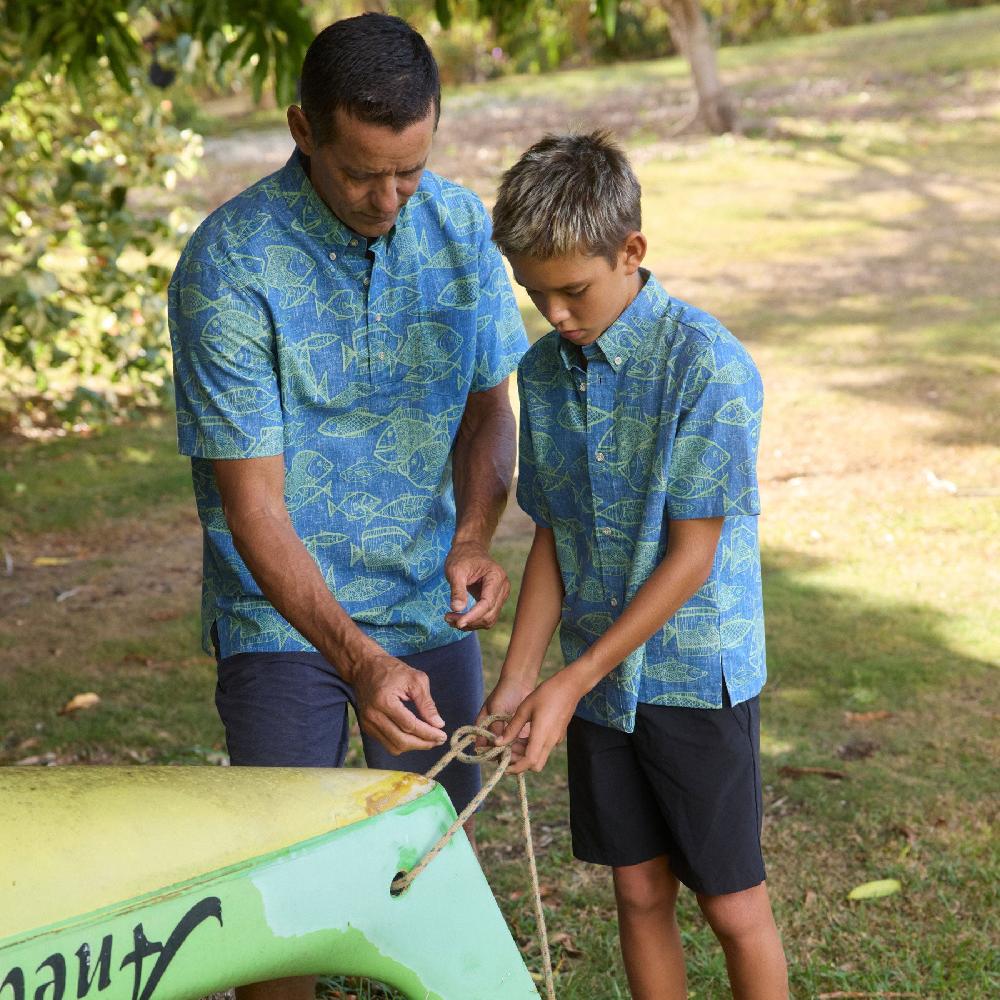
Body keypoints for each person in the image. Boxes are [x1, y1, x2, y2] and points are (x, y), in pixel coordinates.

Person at [169, 15, 527, 998]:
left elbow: (488, 404)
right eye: (364, 172)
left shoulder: (457, 228)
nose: (388, 198)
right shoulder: (229, 264)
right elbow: (255, 508)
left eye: (409, 169)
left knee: (432, 871)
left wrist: (468, 535)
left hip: (422, 602)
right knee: (283, 897)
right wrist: (358, 658)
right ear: (301, 129)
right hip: (277, 613)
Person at [480, 132, 788, 999]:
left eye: (573, 290)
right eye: (535, 294)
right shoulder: (542, 373)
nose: (556, 314)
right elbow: (554, 533)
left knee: (732, 907)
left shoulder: (709, 367)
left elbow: (694, 556)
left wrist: (568, 680)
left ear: (632, 251)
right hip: (597, 679)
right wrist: (519, 678)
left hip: (693, 676)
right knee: (638, 889)